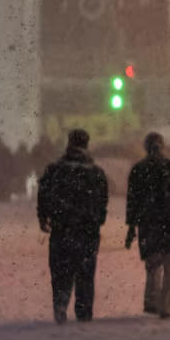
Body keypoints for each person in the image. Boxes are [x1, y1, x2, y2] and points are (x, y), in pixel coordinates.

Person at [37, 129, 108, 324]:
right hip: (87, 230)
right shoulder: (96, 172)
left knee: (61, 269)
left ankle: (61, 302)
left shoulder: (54, 170)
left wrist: (44, 218)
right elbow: (102, 202)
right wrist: (98, 220)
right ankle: (84, 311)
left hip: (62, 228)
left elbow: (43, 195)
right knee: (85, 272)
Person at [125, 133, 170, 319]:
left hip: (149, 224)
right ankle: (166, 305)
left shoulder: (138, 169)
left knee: (153, 265)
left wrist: (131, 227)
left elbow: (132, 201)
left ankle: (151, 301)